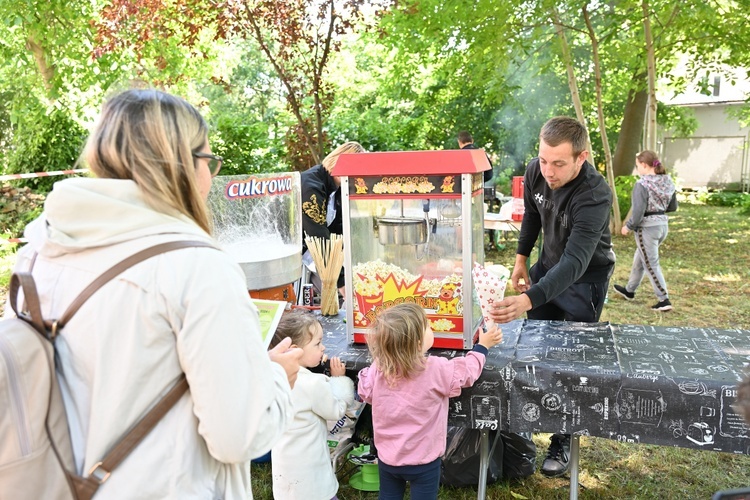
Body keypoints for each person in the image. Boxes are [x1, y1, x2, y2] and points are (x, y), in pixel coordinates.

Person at [9, 89, 303, 498]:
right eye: (208, 161)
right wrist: (274, 376)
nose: (212, 176)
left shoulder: (37, 254)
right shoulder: (198, 268)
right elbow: (240, 436)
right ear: (181, 165)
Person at [488, 116, 615, 477]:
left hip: (584, 281)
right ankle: (532, 418)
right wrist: (520, 260)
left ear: (582, 157)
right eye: (543, 160)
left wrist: (527, 300)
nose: (548, 171)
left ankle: (562, 439)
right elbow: (532, 214)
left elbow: (576, 261)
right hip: (546, 270)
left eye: (558, 163)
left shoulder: (594, 194)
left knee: (573, 363)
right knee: (540, 350)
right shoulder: (535, 172)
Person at [357, 303, 503, 499]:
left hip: (388, 458)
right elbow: (467, 372)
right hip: (424, 461)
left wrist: (378, 361)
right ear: (418, 343)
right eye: (427, 326)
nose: (431, 327)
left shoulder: (379, 369)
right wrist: (482, 347)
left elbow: (364, 392)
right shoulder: (435, 368)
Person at [269, 309, 354, 500]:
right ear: (295, 350)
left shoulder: (272, 378)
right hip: (311, 471)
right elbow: (336, 410)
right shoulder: (314, 384)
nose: (323, 348)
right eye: (317, 343)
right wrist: (339, 381)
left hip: (285, 469)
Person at [614, 150, 677, 312]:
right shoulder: (667, 181)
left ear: (644, 165)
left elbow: (638, 211)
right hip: (662, 226)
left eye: (637, 166)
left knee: (651, 263)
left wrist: (628, 226)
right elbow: (673, 206)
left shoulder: (642, 184)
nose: (637, 169)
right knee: (641, 258)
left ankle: (664, 299)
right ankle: (630, 290)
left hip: (647, 228)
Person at [301, 141, 365, 292]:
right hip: (300, 255)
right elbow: (319, 237)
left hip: (321, 254)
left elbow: (340, 230)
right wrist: (342, 283)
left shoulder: (340, 188)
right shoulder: (311, 185)